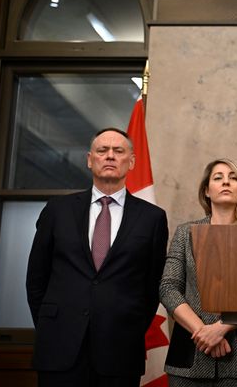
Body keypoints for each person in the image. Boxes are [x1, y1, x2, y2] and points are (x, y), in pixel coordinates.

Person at [26, 127, 169, 387]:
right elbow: (36, 278)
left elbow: (152, 286)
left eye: (118, 151)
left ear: (132, 161)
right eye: (102, 151)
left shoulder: (152, 218)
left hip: (120, 348)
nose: (110, 156)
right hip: (59, 345)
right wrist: (53, 324)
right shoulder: (58, 210)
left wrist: (129, 324)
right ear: (90, 159)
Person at [160, 158, 237, 387]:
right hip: (189, 356)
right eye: (218, 178)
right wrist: (203, 332)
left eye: (233, 178)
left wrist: (222, 327)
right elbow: (168, 288)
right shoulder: (186, 233)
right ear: (207, 190)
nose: (226, 182)